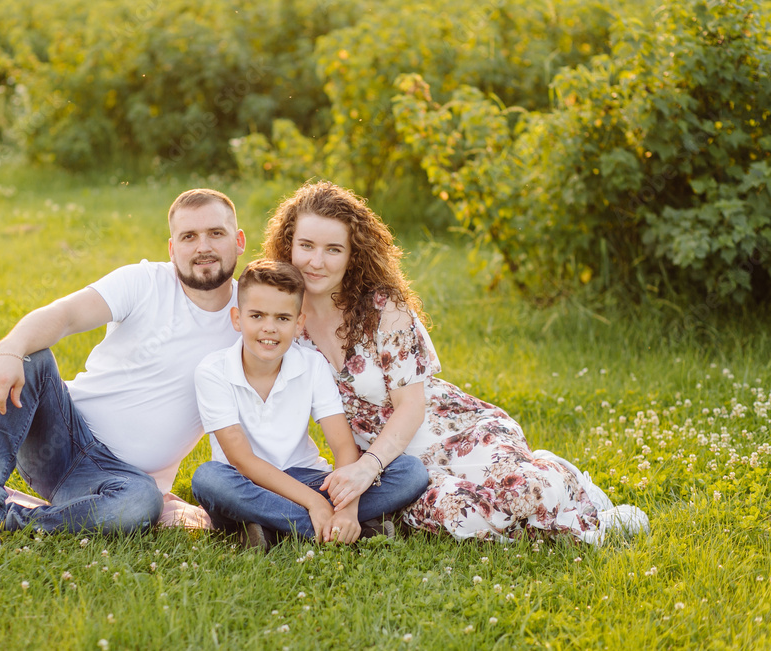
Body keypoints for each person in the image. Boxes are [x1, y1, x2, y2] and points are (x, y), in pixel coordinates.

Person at [262, 181, 649, 545]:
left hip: (454, 431)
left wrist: (367, 468)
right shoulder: (282, 321)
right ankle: (571, 517)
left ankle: (569, 487)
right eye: (306, 245)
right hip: (402, 470)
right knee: (463, 517)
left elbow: (411, 406)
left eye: (333, 249)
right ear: (288, 246)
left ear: (352, 255)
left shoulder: (382, 308)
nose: (316, 261)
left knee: (526, 491)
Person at [0, 188, 247, 565]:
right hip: (60, 439)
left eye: (215, 234)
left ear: (238, 242)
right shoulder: (144, 282)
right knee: (32, 357)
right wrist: (9, 350)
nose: (203, 246)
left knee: (140, 504)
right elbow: (64, 315)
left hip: (122, 483)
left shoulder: (254, 319)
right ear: (172, 249)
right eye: (189, 236)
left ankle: (1, 514)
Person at [190, 259, 429, 550]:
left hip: (304, 476)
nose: (269, 328)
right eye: (257, 316)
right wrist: (316, 503)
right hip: (245, 483)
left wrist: (347, 508)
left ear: (298, 322)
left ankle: (272, 527)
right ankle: (337, 531)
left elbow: (342, 446)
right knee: (208, 479)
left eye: (282, 318)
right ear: (237, 319)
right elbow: (241, 459)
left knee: (410, 472)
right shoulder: (213, 371)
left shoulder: (311, 365)